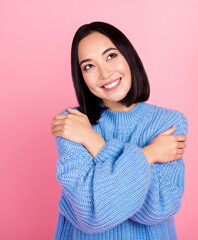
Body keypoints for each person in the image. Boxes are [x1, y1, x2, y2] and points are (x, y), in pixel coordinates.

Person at [51, 21, 188, 240]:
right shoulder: (73, 122)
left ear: (128, 56)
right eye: (89, 66)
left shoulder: (168, 122)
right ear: (82, 78)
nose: (105, 73)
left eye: (111, 56)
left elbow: (158, 206)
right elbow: (91, 213)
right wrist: (149, 154)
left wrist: (94, 143)